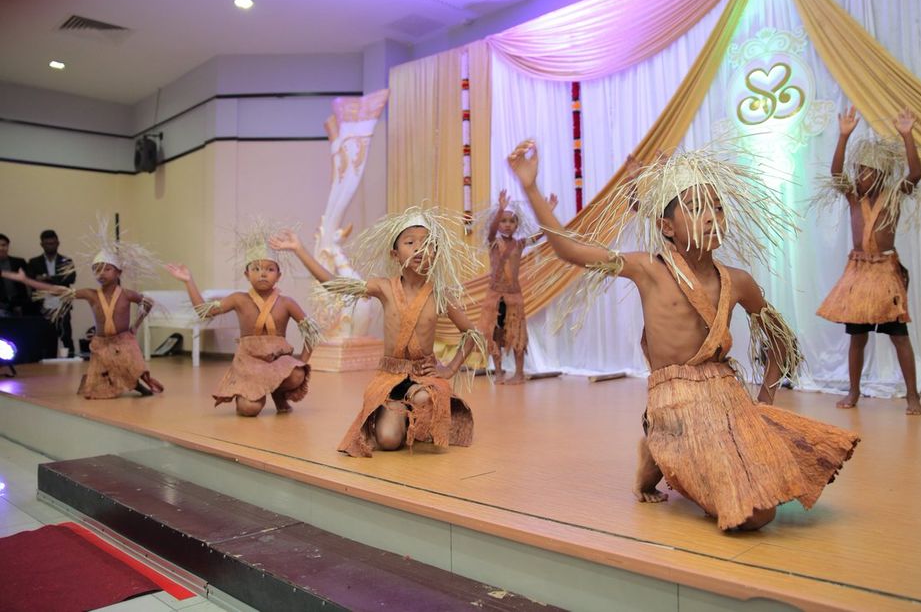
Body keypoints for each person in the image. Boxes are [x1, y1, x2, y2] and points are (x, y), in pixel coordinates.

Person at [509, 139, 858, 531]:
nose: (711, 217)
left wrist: (765, 402)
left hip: (727, 398)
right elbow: (570, 251)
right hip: (674, 402)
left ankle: (673, 454)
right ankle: (658, 446)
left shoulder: (738, 281)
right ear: (666, 227)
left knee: (780, 486)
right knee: (756, 514)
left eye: (717, 207)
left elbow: (780, 339)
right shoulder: (649, 269)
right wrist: (531, 187)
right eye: (695, 208)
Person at [272, 207, 487, 457]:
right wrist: (299, 249)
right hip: (390, 375)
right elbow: (334, 284)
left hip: (423, 377)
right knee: (387, 440)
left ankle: (418, 409)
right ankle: (400, 415)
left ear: (436, 254)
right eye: (410, 242)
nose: (420, 248)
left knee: (421, 400)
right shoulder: (383, 287)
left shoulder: (440, 294)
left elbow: (472, 334)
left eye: (428, 244)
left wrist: (449, 368)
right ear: (395, 254)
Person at [815, 107, 921, 415]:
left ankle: (912, 396)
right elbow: (836, 173)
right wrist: (843, 136)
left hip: (885, 272)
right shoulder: (852, 197)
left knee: (899, 337)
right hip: (858, 273)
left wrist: (907, 135)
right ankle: (853, 392)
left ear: (881, 175)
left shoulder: (893, 195)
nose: (862, 176)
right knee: (857, 337)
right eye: (860, 170)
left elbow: (915, 174)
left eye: (869, 171)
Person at [166, 223, 320, 416]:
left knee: (297, 374)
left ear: (279, 275)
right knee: (249, 409)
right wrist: (189, 281)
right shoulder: (239, 299)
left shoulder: (287, 302)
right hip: (249, 364)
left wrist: (302, 362)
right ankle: (251, 394)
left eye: (269, 269)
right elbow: (204, 312)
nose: (262, 273)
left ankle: (279, 392)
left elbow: (312, 331)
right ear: (247, 274)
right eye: (256, 268)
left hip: (277, 362)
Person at [4, 222, 163, 398]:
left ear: (118, 272)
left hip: (124, 340)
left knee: (130, 365)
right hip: (102, 342)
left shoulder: (127, 294)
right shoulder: (91, 294)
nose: (101, 274)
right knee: (96, 388)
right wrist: (26, 280)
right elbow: (58, 290)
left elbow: (148, 303)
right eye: (97, 270)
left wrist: (136, 326)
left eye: (107, 269)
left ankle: (135, 383)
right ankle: (125, 382)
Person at [476, 189, 556, 383]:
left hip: (513, 295)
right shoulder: (493, 242)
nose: (507, 224)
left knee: (518, 334)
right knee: (494, 333)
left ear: (517, 225)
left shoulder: (520, 244)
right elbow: (492, 230)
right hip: (495, 296)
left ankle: (519, 373)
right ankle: (498, 371)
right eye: (503, 220)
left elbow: (541, 234)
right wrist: (500, 209)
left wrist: (548, 211)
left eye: (512, 221)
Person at [27, 230, 77, 355]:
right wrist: (56, 278)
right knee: (46, 337)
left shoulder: (66, 260)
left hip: (62, 304)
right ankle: (47, 364)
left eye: (52, 243)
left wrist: (47, 277)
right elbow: (30, 280)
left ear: (58, 243)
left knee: (66, 335)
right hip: (43, 305)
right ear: (42, 244)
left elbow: (71, 278)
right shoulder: (34, 262)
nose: (50, 246)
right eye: (47, 243)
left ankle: (71, 361)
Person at [0, 234, 30, 317]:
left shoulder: (19, 262)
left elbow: (27, 283)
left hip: (19, 305)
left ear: (8, 246)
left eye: (3, 245)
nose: (1, 248)